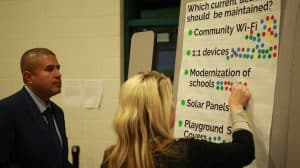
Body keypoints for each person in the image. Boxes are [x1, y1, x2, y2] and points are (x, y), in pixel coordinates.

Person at [100, 71, 254, 168]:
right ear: (160, 112)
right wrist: (236, 107)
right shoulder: (185, 152)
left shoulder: (112, 158)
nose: (173, 105)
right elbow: (244, 152)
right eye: (170, 100)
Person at [0, 48, 72, 168]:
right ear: (28, 77)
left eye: (58, 68)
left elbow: (59, 160)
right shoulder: (7, 110)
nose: (58, 74)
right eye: (49, 69)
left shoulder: (57, 112)